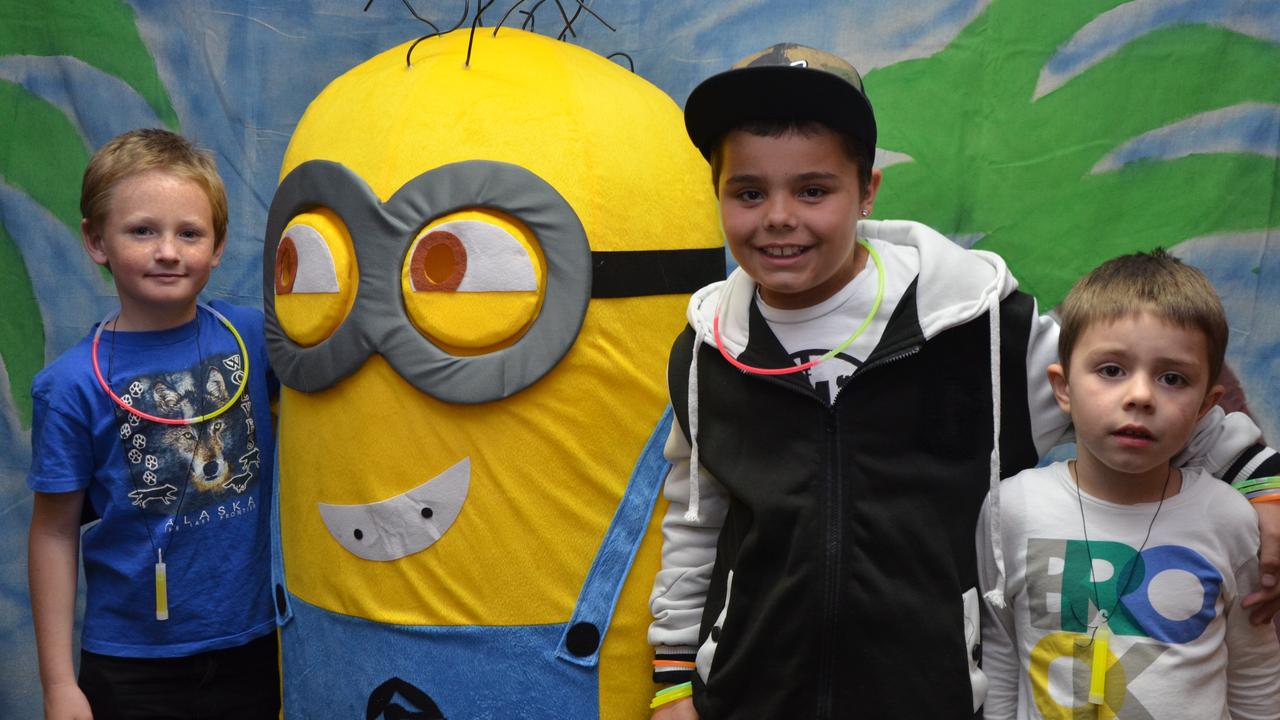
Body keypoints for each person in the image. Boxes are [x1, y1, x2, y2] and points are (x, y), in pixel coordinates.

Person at [644, 44, 1280, 719]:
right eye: (748, 192)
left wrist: (1263, 489)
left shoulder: (980, 325)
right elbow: (696, 524)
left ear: (866, 192)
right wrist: (676, 683)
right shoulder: (709, 349)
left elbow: (1143, 400)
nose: (778, 216)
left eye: (813, 189)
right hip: (751, 696)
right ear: (718, 195)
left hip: (934, 696)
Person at [26, 128, 279, 719]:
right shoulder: (70, 387)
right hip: (133, 664)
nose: (169, 250)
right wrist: (59, 684)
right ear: (96, 240)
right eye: (143, 230)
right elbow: (54, 533)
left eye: (189, 233)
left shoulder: (253, 339)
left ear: (216, 248)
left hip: (260, 641)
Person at [978, 250, 1280, 718]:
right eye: (1111, 370)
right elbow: (999, 656)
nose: (1139, 396)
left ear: (1206, 405)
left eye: (1173, 378)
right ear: (1063, 388)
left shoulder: (1228, 518)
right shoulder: (1012, 508)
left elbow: (1254, 672)